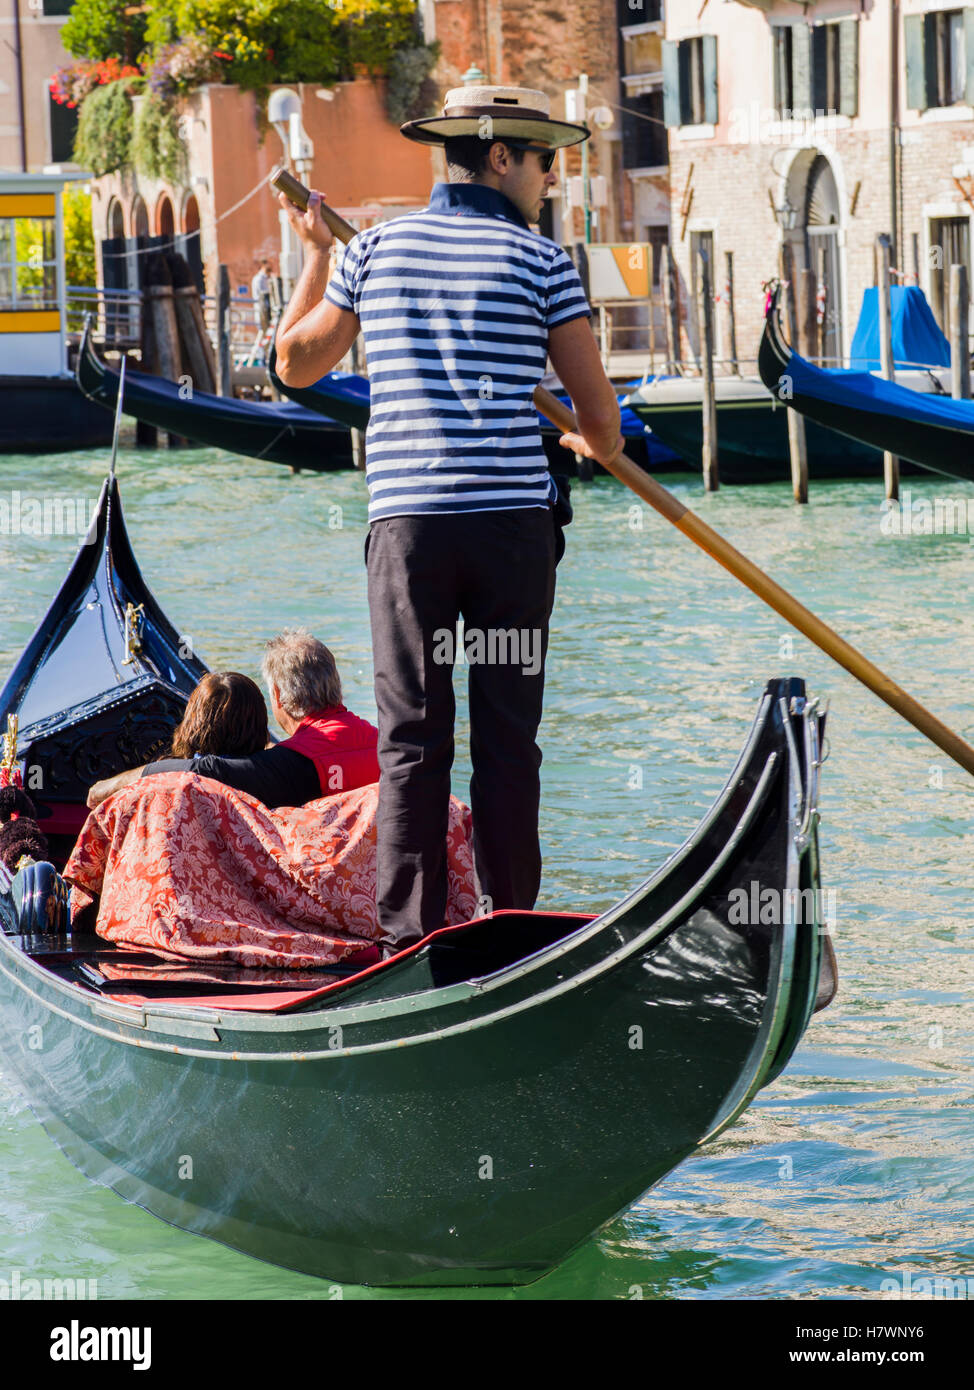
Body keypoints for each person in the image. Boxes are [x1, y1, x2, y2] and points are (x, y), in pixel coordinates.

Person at [274, 84, 622, 953]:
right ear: (501, 157)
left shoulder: (376, 251)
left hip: (411, 535)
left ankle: (411, 940)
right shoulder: (543, 264)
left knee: (412, 740)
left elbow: (295, 366)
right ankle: (510, 929)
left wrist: (317, 254)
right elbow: (605, 430)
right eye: (543, 159)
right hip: (509, 533)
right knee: (509, 740)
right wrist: (576, 433)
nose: (548, 177)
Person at [86, 633, 378, 811]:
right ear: (336, 684)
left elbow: (203, 769)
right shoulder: (390, 743)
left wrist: (105, 787)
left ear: (276, 695)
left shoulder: (288, 766)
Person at [251, 258, 273, 331]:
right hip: (262, 307)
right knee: (263, 329)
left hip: (265, 307)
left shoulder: (265, 278)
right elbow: (261, 293)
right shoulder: (259, 279)